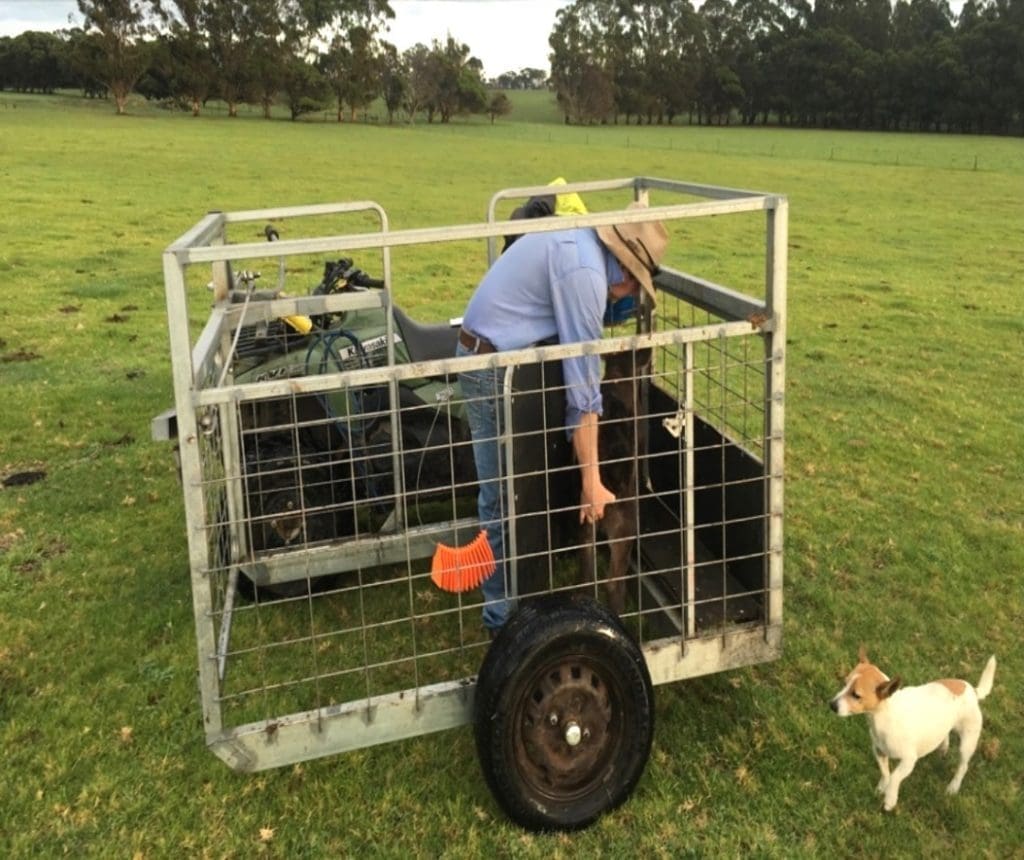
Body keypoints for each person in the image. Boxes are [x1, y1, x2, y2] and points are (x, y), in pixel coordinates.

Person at [456, 203, 669, 635]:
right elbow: (583, 391)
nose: (630, 296)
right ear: (627, 274)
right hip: (491, 369)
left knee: (516, 491)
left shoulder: (579, 243)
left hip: (495, 354)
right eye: (634, 289)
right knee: (503, 497)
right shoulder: (585, 275)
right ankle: (503, 624)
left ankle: (517, 602)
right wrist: (592, 480)